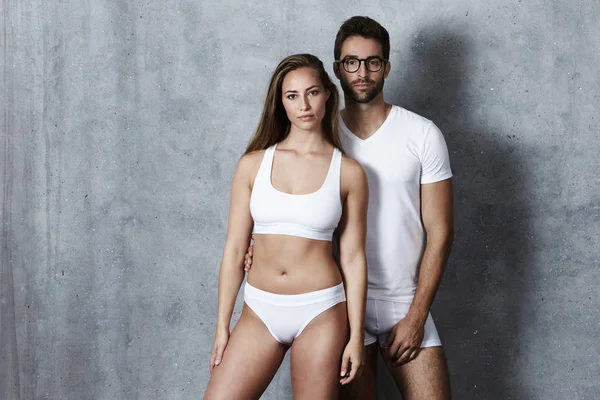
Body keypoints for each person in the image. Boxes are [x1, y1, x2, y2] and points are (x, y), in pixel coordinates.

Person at [245, 17, 454, 400]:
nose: (362, 72)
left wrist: (418, 314)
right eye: (352, 62)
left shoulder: (422, 134)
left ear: (387, 68)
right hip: (338, 302)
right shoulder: (320, 134)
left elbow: (440, 232)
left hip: (403, 300)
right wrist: (261, 248)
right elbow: (282, 200)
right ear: (338, 68)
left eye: (373, 62)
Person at [204, 54, 369, 400]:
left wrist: (355, 336)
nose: (304, 105)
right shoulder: (252, 165)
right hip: (259, 309)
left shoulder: (349, 172)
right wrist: (222, 326)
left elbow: (353, 258)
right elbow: (235, 249)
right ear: (280, 103)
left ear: (327, 95)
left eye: (312, 93)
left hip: (321, 310)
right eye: (292, 96)